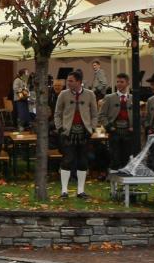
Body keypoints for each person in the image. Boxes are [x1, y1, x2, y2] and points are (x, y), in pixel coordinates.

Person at [53, 69, 97, 199]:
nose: (68, 83)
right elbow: (57, 114)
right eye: (68, 81)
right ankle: (64, 191)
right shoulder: (63, 94)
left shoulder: (90, 94)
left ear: (79, 82)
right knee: (67, 160)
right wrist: (60, 129)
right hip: (67, 132)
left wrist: (92, 129)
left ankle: (80, 191)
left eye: (71, 81)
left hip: (84, 132)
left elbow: (94, 114)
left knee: (83, 161)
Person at [102, 73, 135, 170]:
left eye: (122, 82)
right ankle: (114, 176)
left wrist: (133, 127)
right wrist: (109, 127)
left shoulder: (133, 98)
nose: (119, 84)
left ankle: (126, 176)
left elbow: (138, 116)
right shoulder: (109, 98)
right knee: (114, 157)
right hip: (114, 132)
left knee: (127, 158)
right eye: (117, 82)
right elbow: (102, 115)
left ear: (127, 83)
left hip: (128, 132)